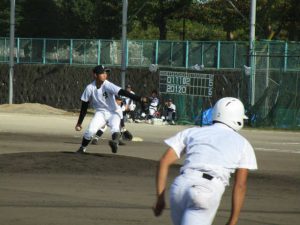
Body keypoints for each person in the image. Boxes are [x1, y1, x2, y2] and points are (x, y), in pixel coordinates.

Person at [153, 97, 257, 225]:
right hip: (205, 191)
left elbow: (164, 162)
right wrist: (233, 220)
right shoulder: (243, 144)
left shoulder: (193, 132)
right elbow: (240, 185)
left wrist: (160, 197)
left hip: (180, 186)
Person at [75, 65, 146, 154]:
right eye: (102, 73)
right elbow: (84, 107)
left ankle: (115, 143)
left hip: (113, 112)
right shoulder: (89, 88)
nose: (105, 75)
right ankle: (82, 148)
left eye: (106, 72)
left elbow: (123, 92)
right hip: (100, 113)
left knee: (115, 128)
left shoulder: (107, 85)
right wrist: (79, 123)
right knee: (90, 131)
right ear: (95, 75)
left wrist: (139, 98)